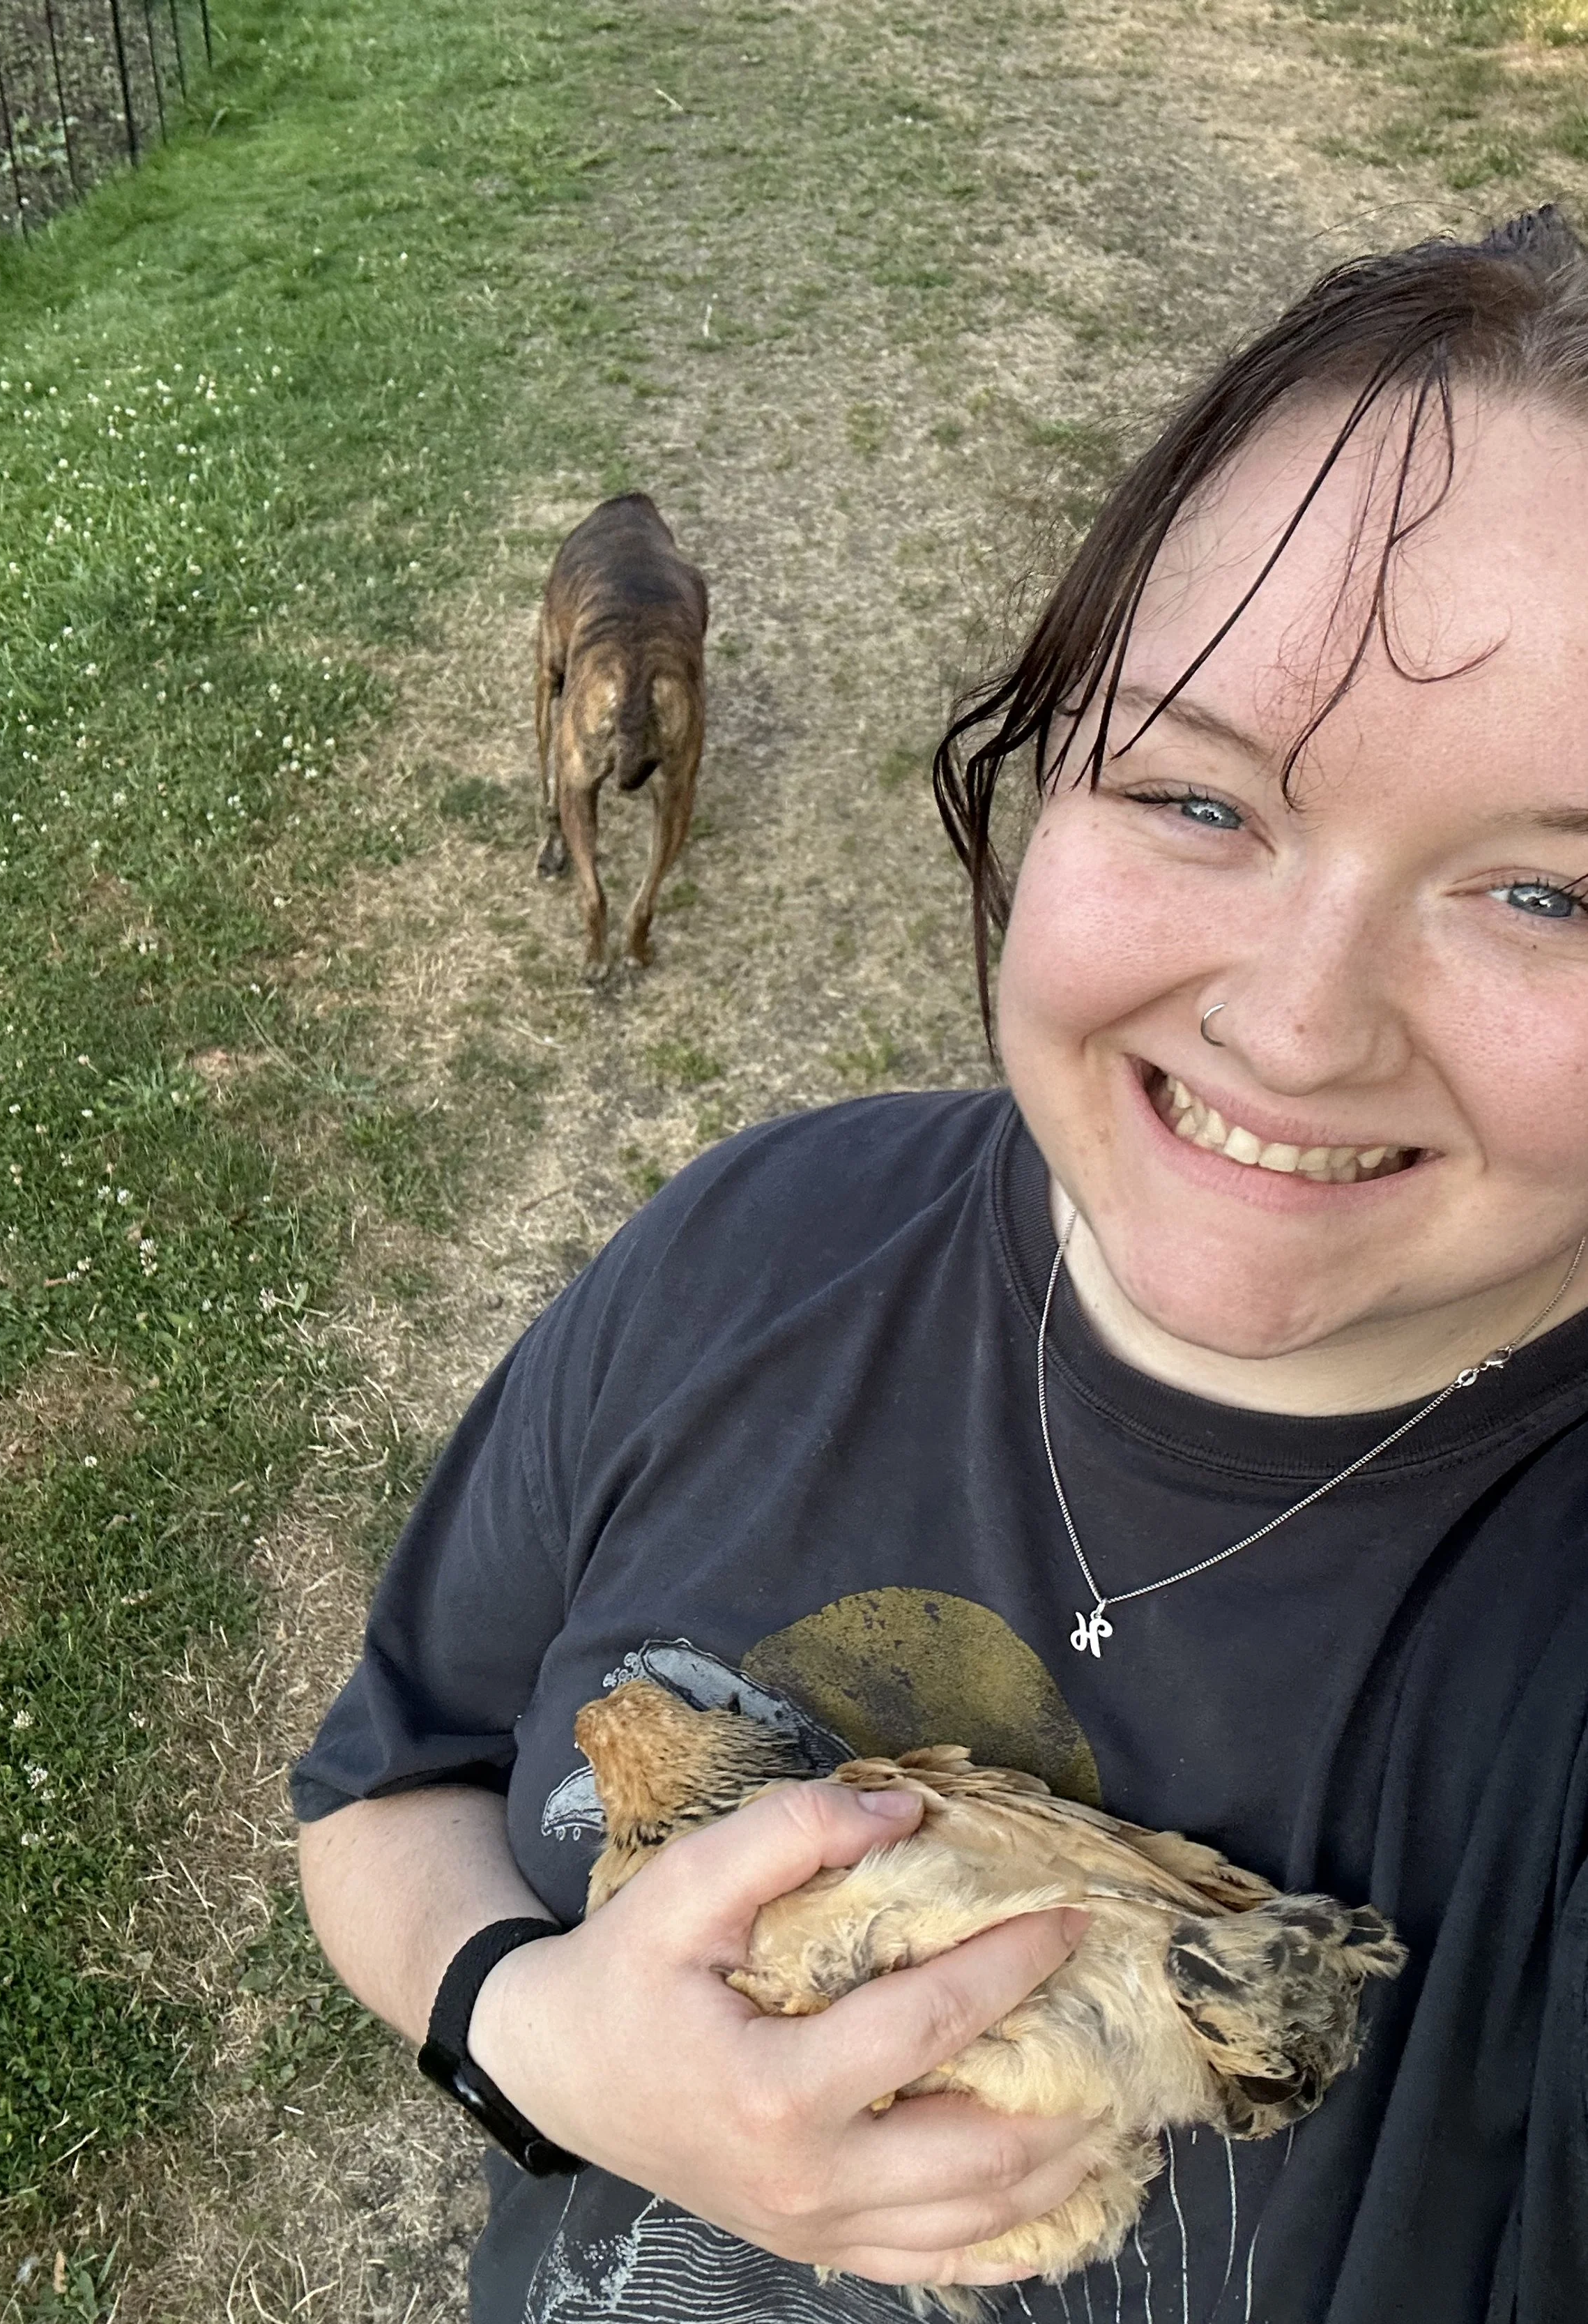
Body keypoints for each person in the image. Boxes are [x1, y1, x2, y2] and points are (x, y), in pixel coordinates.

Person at [293, 205, 1588, 2324]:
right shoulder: (747, 1248)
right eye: (1193, 794)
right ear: (1043, 767)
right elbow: (385, 1785)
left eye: (1547, 896)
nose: (1291, 1024)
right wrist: (541, 2041)